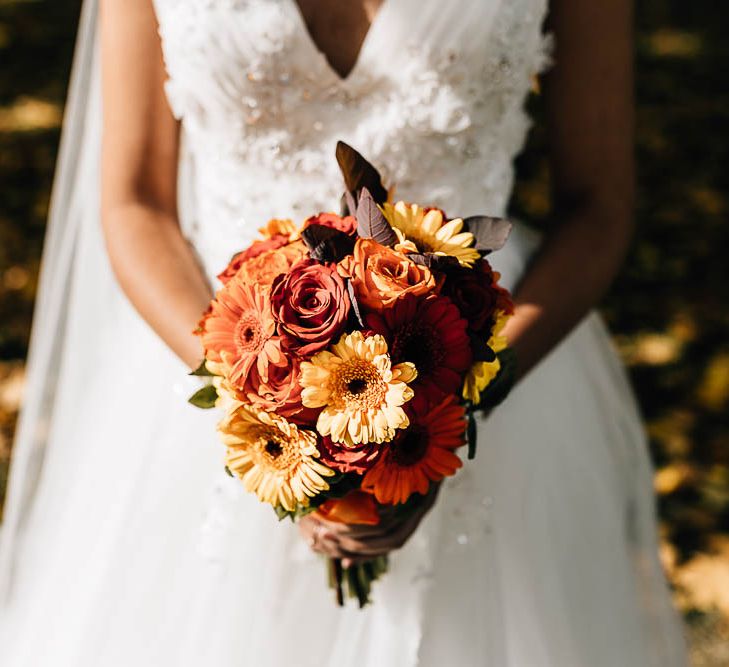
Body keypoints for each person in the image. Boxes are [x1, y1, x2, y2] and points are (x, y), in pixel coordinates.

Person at [0, 0, 688, 664]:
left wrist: (445, 413)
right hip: (209, 364)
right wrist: (269, 416)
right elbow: (135, 203)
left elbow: (596, 208)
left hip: (495, 368)